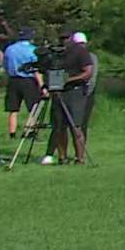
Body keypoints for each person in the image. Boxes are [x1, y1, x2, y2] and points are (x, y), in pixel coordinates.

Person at [47, 31, 94, 165]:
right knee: (59, 126)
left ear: (72, 38)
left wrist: (68, 79)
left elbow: (88, 72)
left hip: (75, 92)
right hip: (58, 92)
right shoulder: (57, 52)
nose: (64, 40)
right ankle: (62, 157)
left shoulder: (80, 51)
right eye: (61, 38)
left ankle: (80, 158)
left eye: (66, 38)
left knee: (76, 126)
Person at [3, 27, 45, 140]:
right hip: (28, 81)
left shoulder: (9, 49)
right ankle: (29, 131)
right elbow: (36, 69)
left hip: (13, 80)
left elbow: (6, 65)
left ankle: (12, 133)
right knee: (33, 107)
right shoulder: (33, 50)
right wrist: (41, 85)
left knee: (13, 109)